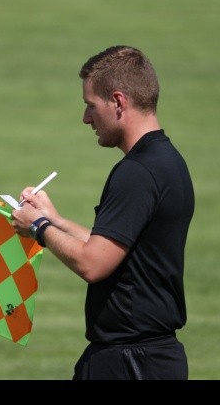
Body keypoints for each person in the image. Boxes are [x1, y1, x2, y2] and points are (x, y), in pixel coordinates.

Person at [11, 45, 195, 380]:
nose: (85, 118)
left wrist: (38, 228)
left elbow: (93, 264)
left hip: (128, 363)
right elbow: (115, 249)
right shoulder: (168, 162)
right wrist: (55, 219)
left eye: (90, 106)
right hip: (152, 359)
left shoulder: (136, 173)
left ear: (119, 102)